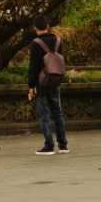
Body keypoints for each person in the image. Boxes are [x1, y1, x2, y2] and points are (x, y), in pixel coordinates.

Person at [25, 13, 68, 155]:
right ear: (48, 26)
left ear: (35, 28)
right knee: (58, 112)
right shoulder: (58, 41)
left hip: (41, 82)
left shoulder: (35, 43)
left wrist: (31, 86)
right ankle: (63, 145)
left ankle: (48, 146)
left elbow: (33, 66)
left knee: (44, 113)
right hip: (55, 80)